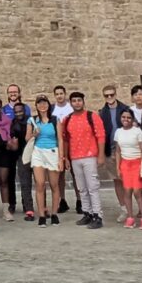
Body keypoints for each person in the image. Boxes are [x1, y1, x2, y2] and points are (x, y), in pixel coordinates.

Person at [61, 92, 105, 228]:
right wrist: (66, 157)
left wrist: (101, 155)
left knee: (92, 186)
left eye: (79, 100)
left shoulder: (92, 116)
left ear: (83, 101)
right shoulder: (67, 119)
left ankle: (97, 215)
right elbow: (66, 139)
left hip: (90, 155)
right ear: (71, 103)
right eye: (74, 101)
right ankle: (87, 212)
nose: (77, 103)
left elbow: (101, 135)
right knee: (82, 188)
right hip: (75, 157)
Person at [26, 95, 63, 225]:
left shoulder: (55, 120)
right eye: (39, 104)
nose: (42, 106)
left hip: (52, 152)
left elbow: (60, 139)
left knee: (54, 184)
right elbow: (27, 138)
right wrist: (33, 134)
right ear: (36, 106)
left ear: (48, 105)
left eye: (44, 103)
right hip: (38, 152)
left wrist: (61, 158)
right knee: (40, 184)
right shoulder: (32, 120)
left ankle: (54, 213)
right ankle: (41, 215)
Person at [98, 85, 132, 221]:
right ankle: (124, 209)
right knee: (117, 180)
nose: (110, 97)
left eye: (112, 95)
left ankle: (141, 209)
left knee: (131, 181)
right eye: (107, 95)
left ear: (116, 94)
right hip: (110, 150)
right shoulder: (103, 112)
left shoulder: (125, 109)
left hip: (126, 149)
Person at [113, 109, 142, 229]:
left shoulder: (138, 132)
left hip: (137, 163)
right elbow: (118, 151)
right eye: (123, 117)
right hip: (125, 164)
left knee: (138, 192)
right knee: (127, 191)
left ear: (132, 119)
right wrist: (118, 167)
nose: (126, 120)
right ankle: (130, 217)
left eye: (128, 117)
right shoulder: (118, 132)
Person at [52, 85, 75, 213]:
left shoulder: (71, 108)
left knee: (75, 173)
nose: (59, 96)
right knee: (59, 174)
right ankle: (62, 200)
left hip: (72, 142)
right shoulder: (52, 109)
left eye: (61, 93)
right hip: (58, 143)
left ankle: (79, 200)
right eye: (57, 94)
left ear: (65, 94)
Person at [7, 99, 31, 220]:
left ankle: (30, 206)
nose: (18, 114)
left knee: (32, 182)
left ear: (24, 110)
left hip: (31, 153)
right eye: (16, 112)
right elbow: (12, 140)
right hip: (17, 154)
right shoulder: (13, 123)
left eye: (20, 111)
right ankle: (20, 206)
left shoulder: (30, 121)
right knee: (19, 181)